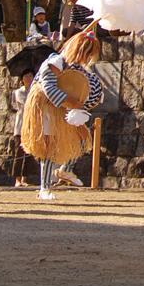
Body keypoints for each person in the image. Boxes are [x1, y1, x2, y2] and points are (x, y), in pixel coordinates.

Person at [20, 28, 104, 201]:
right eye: (86, 53)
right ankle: (45, 187)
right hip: (45, 105)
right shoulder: (56, 62)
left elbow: (82, 91)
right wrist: (74, 104)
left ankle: (66, 169)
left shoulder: (78, 70)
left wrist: (82, 103)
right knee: (49, 146)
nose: (87, 58)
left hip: (62, 107)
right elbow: (49, 88)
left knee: (83, 137)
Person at [11, 70, 35, 187]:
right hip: (20, 127)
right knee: (18, 153)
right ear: (22, 78)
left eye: (31, 75)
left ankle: (25, 178)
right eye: (26, 75)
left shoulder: (36, 90)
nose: (29, 78)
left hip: (32, 126)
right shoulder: (18, 92)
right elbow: (27, 104)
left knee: (29, 153)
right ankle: (17, 179)